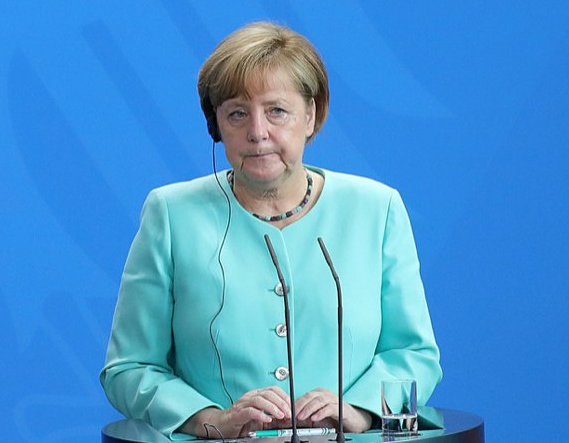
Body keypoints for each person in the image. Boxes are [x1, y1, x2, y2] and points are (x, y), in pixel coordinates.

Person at [100, 22, 441, 439]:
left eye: (277, 110)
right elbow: (130, 368)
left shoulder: (376, 209)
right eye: (238, 113)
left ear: (311, 115)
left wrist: (359, 409)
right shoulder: (171, 214)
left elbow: (414, 354)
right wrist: (212, 421)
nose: (257, 132)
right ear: (217, 126)